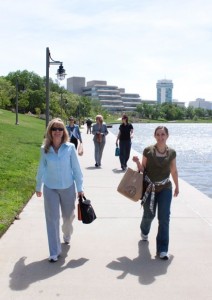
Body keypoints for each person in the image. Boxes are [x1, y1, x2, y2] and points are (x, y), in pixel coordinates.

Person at [35, 118, 84, 262]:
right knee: (52, 219)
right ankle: (54, 251)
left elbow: (76, 169)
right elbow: (41, 168)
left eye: (60, 129)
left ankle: (67, 233)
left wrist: (80, 188)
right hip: (50, 188)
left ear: (64, 132)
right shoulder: (44, 149)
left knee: (68, 218)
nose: (57, 131)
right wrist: (38, 186)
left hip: (68, 188)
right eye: (54, 129)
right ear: (50, 131)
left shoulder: (70, 148)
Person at [132, 126, 179, 260]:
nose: (160, 137)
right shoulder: (148, 151)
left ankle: (163, 249)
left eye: (163, 134)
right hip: (149, 188)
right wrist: (137, 162)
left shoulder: (172, 153)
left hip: (165, 188)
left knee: (164, 218)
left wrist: (177, 186)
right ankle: (144, 231)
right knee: (149, 215)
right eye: (158, 134)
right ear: (154, 136)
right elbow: (143, 169)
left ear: (167, 136)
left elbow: (174, 171)